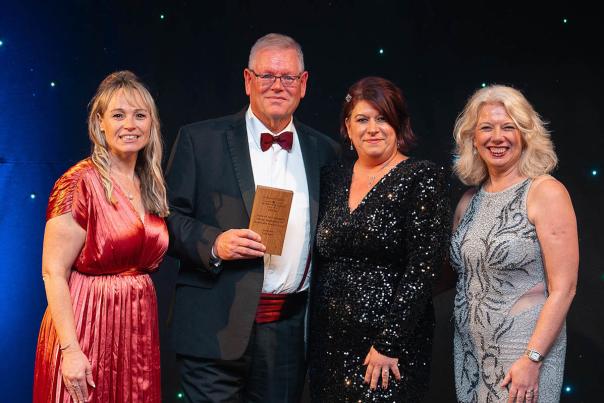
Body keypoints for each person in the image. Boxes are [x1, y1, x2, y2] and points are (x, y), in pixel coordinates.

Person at [165, 33, 339, 402]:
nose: (278, 86)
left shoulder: (326, 152)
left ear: (303, 84)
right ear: (248, 80)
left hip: (289, 334)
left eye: (288, 77)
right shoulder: (200, 140)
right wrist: (214, 243)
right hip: (214, 327)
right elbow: (165, 219)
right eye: (267, 76)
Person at [308, 76, 450, 402]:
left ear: (399, 125)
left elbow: (423, 269)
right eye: (362, 119)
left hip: (386, 350)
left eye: (383, 118)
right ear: (348, 126)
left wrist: (389, 342)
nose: (373, 128)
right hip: (327, 344)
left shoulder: (422, 177)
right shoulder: (332, 177)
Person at [32, 71, 169, 403]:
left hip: (135, 328)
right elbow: (53, 271)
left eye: (140, 115)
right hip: (86, 325)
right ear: (100, 124)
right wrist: (71, 350)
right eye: (118, 115)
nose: (130, 125)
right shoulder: (79, 182)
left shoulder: (150, 184)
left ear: (151, 124)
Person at [450, 84, 578, 402]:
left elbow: (565, 288)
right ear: (472, 138)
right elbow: (456, 273)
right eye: (486, 128)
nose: (498, 137)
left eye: (509, 127)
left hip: (522, 352)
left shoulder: (545, 192)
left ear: (525, 135)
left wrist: (532, 359)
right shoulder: (469, 201)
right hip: (470, 354)